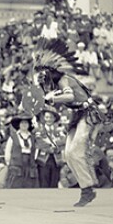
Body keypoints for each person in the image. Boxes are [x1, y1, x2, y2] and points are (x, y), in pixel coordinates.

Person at [33, 39, 102, 207]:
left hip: (88, 114)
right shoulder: (56, 84)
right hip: (78, 116)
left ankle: (88, 188)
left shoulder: (64, 79)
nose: (42, 75)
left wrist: (52, 98)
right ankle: (88, 186)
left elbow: (70, 96)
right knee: (68, 154)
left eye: (43, 71)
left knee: (76, 150)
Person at [4, 113, 39, 188]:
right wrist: (8, 162)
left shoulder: (32, 137)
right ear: (19, 125)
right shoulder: (13, 137)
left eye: (26, 123)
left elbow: (36, 149)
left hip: (30, 164)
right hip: (16, 164)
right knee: (16, 184)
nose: (24, 125)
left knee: (29, 184)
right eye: (22, 123)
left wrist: (34, 159)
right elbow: (8, 150)